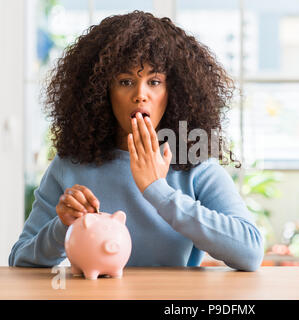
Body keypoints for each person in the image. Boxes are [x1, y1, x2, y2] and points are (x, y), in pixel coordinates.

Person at [9, 11, 264, 271]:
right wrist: (61, 225)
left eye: (154, 82)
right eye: (125, 81)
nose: (140, 95)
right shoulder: (70, 164)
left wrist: (158, 191)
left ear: (173, 92)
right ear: (101, 91)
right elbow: (20, 259)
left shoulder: (192, 162)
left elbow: (250, 252)